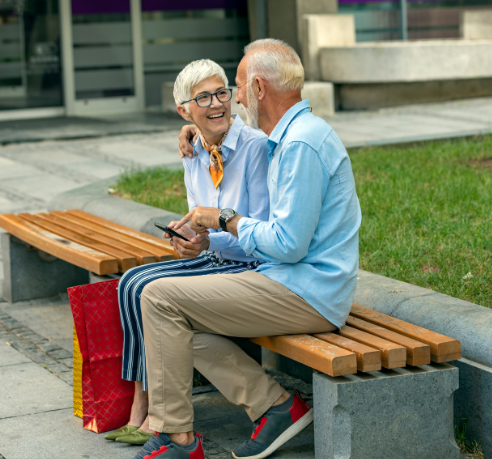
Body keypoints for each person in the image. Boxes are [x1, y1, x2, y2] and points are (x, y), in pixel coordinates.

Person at [131, 39, 362, 459]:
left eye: (235, 87)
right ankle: (275, 406)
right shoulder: (289, 136)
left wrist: (224, 219)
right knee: (175, 320)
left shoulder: (301, 145)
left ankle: (178, 438)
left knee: (159, 297)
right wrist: (194, 131)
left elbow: (289, 246)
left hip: (308, 291)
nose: (232, 99)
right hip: (285, 280)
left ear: (257, 88)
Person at [105, 59, 271, 446]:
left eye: (221, 93)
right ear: (184, 110)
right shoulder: (194, 150)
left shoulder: (254, 150)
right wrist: (187, 238)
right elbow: (199, 216)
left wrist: (208, 241)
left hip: (247, 263)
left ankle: (149, 415)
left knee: (145, 289)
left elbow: (259, 229)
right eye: (203, 98)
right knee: (130, 282)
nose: (217, 104)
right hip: (213, 257)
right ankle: (139, 404)